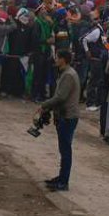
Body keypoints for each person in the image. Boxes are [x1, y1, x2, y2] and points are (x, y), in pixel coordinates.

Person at [35, 49, 80, 191]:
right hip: (64, 115)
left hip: (67, 116)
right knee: (64, 149)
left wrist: (44, 105)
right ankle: (61, 178)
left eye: (57, 57)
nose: (55, 59)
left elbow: (61, 97)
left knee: (65, 150)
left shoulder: (68, 75)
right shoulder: (66, 73)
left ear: (63, 60)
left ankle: (64, 181)